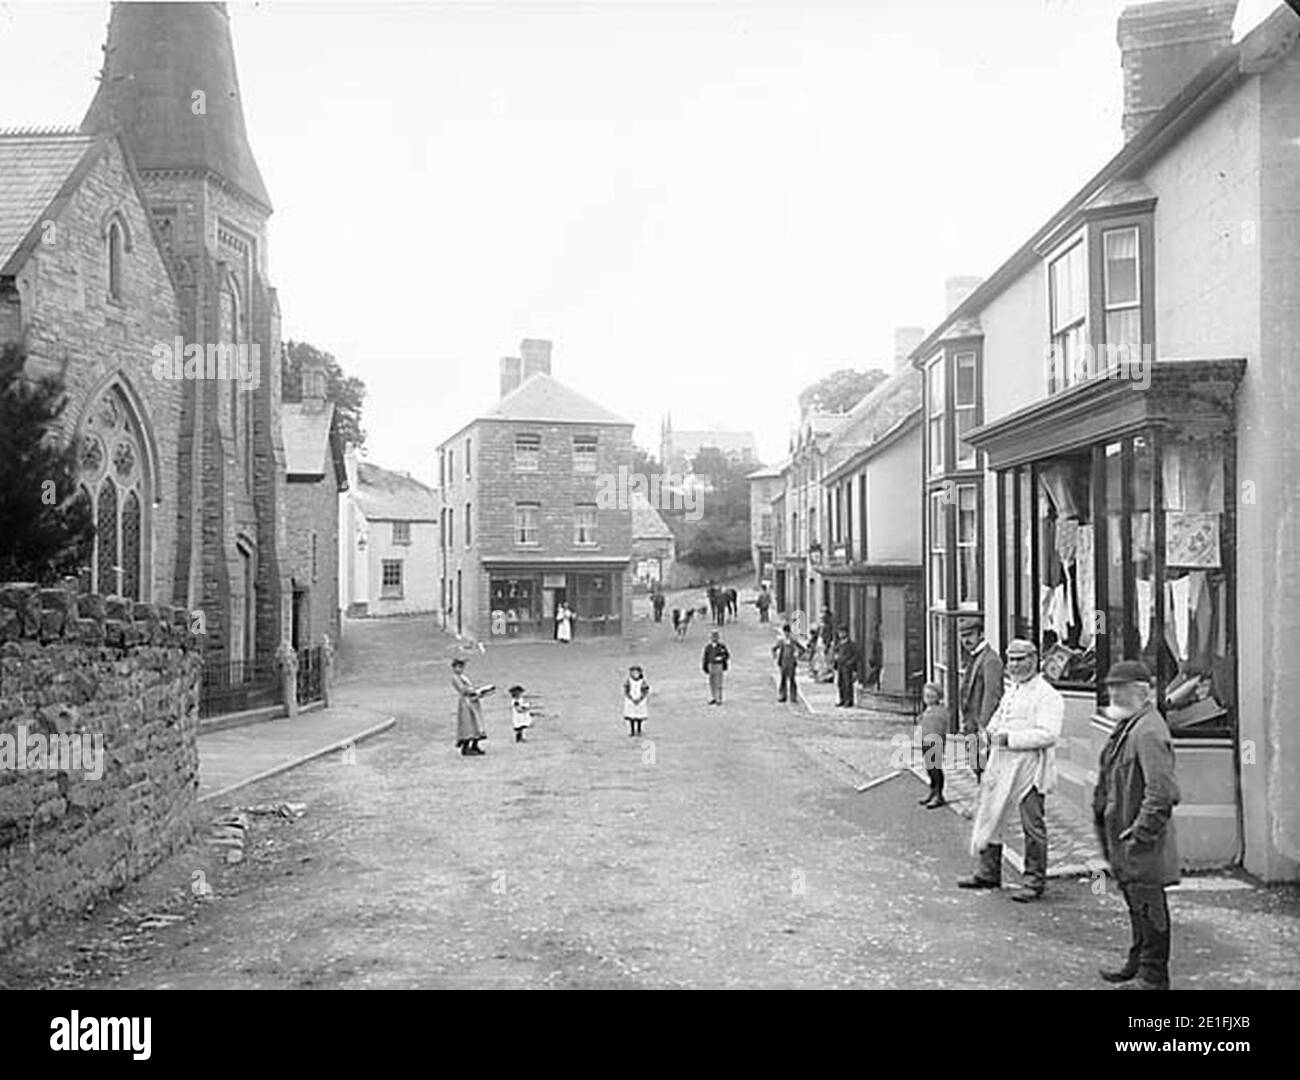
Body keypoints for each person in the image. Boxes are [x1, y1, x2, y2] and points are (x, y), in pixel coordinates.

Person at [1094, 660, 1180, 990]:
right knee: (1136, 899)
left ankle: (1154, 976)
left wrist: (1141, 832)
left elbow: (1162, 791)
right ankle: (1139, 959)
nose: (1112, 693)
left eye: (1120, 688)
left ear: (1140, 692)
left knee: (1148, 901)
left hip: (1141, 836)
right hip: (1126, 833)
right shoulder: (1132, 723)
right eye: (1111, 687)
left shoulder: (1149, 730)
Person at [959, 638, 1063, 902]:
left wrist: (1009, 739)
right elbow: (999, 717)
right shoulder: (1013, 689)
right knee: (990, 812)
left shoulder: (1047, 695)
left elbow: (1048, 734)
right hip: (1002, 762)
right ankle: (988, 872)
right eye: (1012, 660)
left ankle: (1033, 880)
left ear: (1035, 659)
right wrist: (990, 732)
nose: (1016, 665)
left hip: (1029, 766)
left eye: (1022, 659)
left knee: (1032, 825)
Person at [958, 618, 1004, 783]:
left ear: (981, 634)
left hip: (982, 724)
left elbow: (992, 695)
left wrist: (983, 726)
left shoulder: (990, 660)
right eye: (963, 636)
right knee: (976, 764)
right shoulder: (975, 657)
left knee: (984, 767)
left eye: (970, 635)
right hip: (971, 722)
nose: (966, 640)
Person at [917, 682, 950, 808]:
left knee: (936, 769)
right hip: (926, 741)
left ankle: (939, 794)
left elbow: (941, 728)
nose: (928, 699)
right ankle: (933, 790)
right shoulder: (927, 710)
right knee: (929, 768)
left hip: (935, 742)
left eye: (932, 696)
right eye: (926, 696)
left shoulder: (940, 711)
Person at [451, 658, 489, 756]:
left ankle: (475, 745)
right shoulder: (455, 678)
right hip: (466, 702)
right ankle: (466, 747)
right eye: (457, 667)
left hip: (472, 700)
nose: (459, 669)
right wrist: (474, 691)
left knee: (476, 723)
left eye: (461, 667)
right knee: (468, 724)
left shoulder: (463, 677)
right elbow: (462, 689)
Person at [773, 624, 802, 703]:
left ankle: (793, 696)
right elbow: (774, 648)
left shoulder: (793, 640)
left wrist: (798, 655)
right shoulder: (781, 641)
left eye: (787, 632)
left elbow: (801, 648)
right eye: (785, 632)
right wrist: (775, 656)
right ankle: (783, 695)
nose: (786, 634)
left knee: (792, 680)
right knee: (783, 679)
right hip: (783, 662)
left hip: (791, 663)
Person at [702, 630, 730, 705]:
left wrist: (721, 658)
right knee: (712, 682)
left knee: (718, 682)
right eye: (712, 637)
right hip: (711, 665)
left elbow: (727, 655)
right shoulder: (708, 647)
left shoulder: (722, 646)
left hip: (718, 665)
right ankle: (713, 697)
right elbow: (705, 657)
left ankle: (718, 698)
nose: (714, 638)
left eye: (715, 637)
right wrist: (705, 667)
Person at [833, 626, 859, 707]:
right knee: (840, 683)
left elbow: (856, 655)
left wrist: (850, 663)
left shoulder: (851, 644)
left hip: (847, 667)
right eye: (839, 633)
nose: (840, 634)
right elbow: (836, 652)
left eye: (842, 632)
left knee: (847, 683)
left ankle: (849, 700)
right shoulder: (839, 644)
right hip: (840, 666)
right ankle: (842, 699)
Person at [623, 664, 650, 736]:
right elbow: (626, 690)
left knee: (639, 717)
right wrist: (630, 698)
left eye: (637, 672)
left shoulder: (642, 681)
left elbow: (645, 690)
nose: (635, 674)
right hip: (631, 700)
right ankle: (632, 731)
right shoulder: (628, 681)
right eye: (633, 672)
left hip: (640, 700)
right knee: (631, 716)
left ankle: (639, 730)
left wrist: (641, 698)